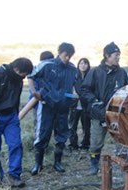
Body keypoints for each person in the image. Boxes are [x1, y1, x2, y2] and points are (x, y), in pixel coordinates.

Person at [0, 57, 34, 187]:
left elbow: (15, 99)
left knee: (15, 144)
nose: (25, 77)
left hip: (10, 116)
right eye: (24, 73)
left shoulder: (18, 80)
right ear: (16, 69)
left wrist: (15, 115)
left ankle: (14, 175)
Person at [81, 42, 128, 175]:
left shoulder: (121, 73)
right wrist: (94, 101)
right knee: (96, 142)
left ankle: (123, 165)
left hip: (117, 114)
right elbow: (85, 89)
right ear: (107, 56)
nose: (118, 58)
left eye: (119, 55)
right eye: (116, 55)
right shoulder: (95, 72)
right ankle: (94, 166)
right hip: (99, 113)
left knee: (122, 140)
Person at [28, 42, 77, 175]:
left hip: (63, 107)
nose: (67, 58)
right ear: (60, 52)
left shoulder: (72, 69)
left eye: (70, 56)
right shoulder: (47, 64)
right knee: (42, 134)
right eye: (66, 55)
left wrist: (74, 95)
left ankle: (57, 163)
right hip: (46, 106)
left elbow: (74, 84)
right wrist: (34, 92)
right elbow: (31, 76)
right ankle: (38, 164)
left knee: (62, 135)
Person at [67, 58, 91, 152]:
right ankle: (73, 145)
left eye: (85, 63)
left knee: (86, 126)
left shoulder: (90, 76)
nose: (83, 65)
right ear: (78, 65)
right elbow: (68, 89)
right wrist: (72, 93)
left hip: (86, 106)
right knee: (72, 126)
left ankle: (85, 145)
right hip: (74, 105)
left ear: (88, 65)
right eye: (81, 63)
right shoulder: (74, 76)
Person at [27, 51, 54, 126]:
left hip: (50, 101)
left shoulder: (53, 71)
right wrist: (35, 94)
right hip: (38, 101)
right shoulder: (37, 70)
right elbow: (31, 81)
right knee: (38, 121)